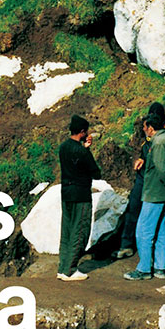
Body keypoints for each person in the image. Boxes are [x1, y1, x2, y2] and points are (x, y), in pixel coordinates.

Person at [115, 103, 165, 261]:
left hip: (156, 182)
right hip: (143, 177)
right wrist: (142, 158)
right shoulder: (151, 132)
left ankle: (147, 260)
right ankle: (126, 245)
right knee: (133, 208)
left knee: (150, 222)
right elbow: (147, 149)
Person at [57, 114, 101, 281]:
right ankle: (70, 270)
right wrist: (86, 150)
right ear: (82, 132)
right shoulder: (82, 152)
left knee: (67, 231)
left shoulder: (63, 147)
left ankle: (63, 267)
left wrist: (85, 148)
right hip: (81, 194)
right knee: (80, 232)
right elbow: (96, 173)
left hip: (66, 192)